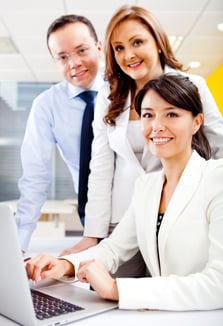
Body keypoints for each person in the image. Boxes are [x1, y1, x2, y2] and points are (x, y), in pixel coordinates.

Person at [26, 73, 223, 311]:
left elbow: (218, 284)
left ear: (196, 122)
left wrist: (116, 289)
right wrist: (63, 265)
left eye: (172, 114)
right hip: (167, 317)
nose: (157, 126)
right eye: (148, 115)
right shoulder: (147, 186)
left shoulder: (216, 179)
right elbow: (113, 248)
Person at [60, 5, 223, 273]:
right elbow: (100, 168)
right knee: (112, 297)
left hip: (177, 215)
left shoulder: (191, 86)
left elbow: (219, 148)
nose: (129, 55)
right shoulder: (108, 96)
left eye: (137, 42)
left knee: (170, 295)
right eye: (119, 47)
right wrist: (93, 233)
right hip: (121, 217)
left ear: (158, 42)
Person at [15, 14, 104, 253]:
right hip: (92, 218)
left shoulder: (127, 90)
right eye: (63, 57)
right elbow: (35, 177)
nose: (73, 63)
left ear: (99, 47)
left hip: (138, 212)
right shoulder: (46, 105)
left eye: (81, 51)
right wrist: (17, 247)